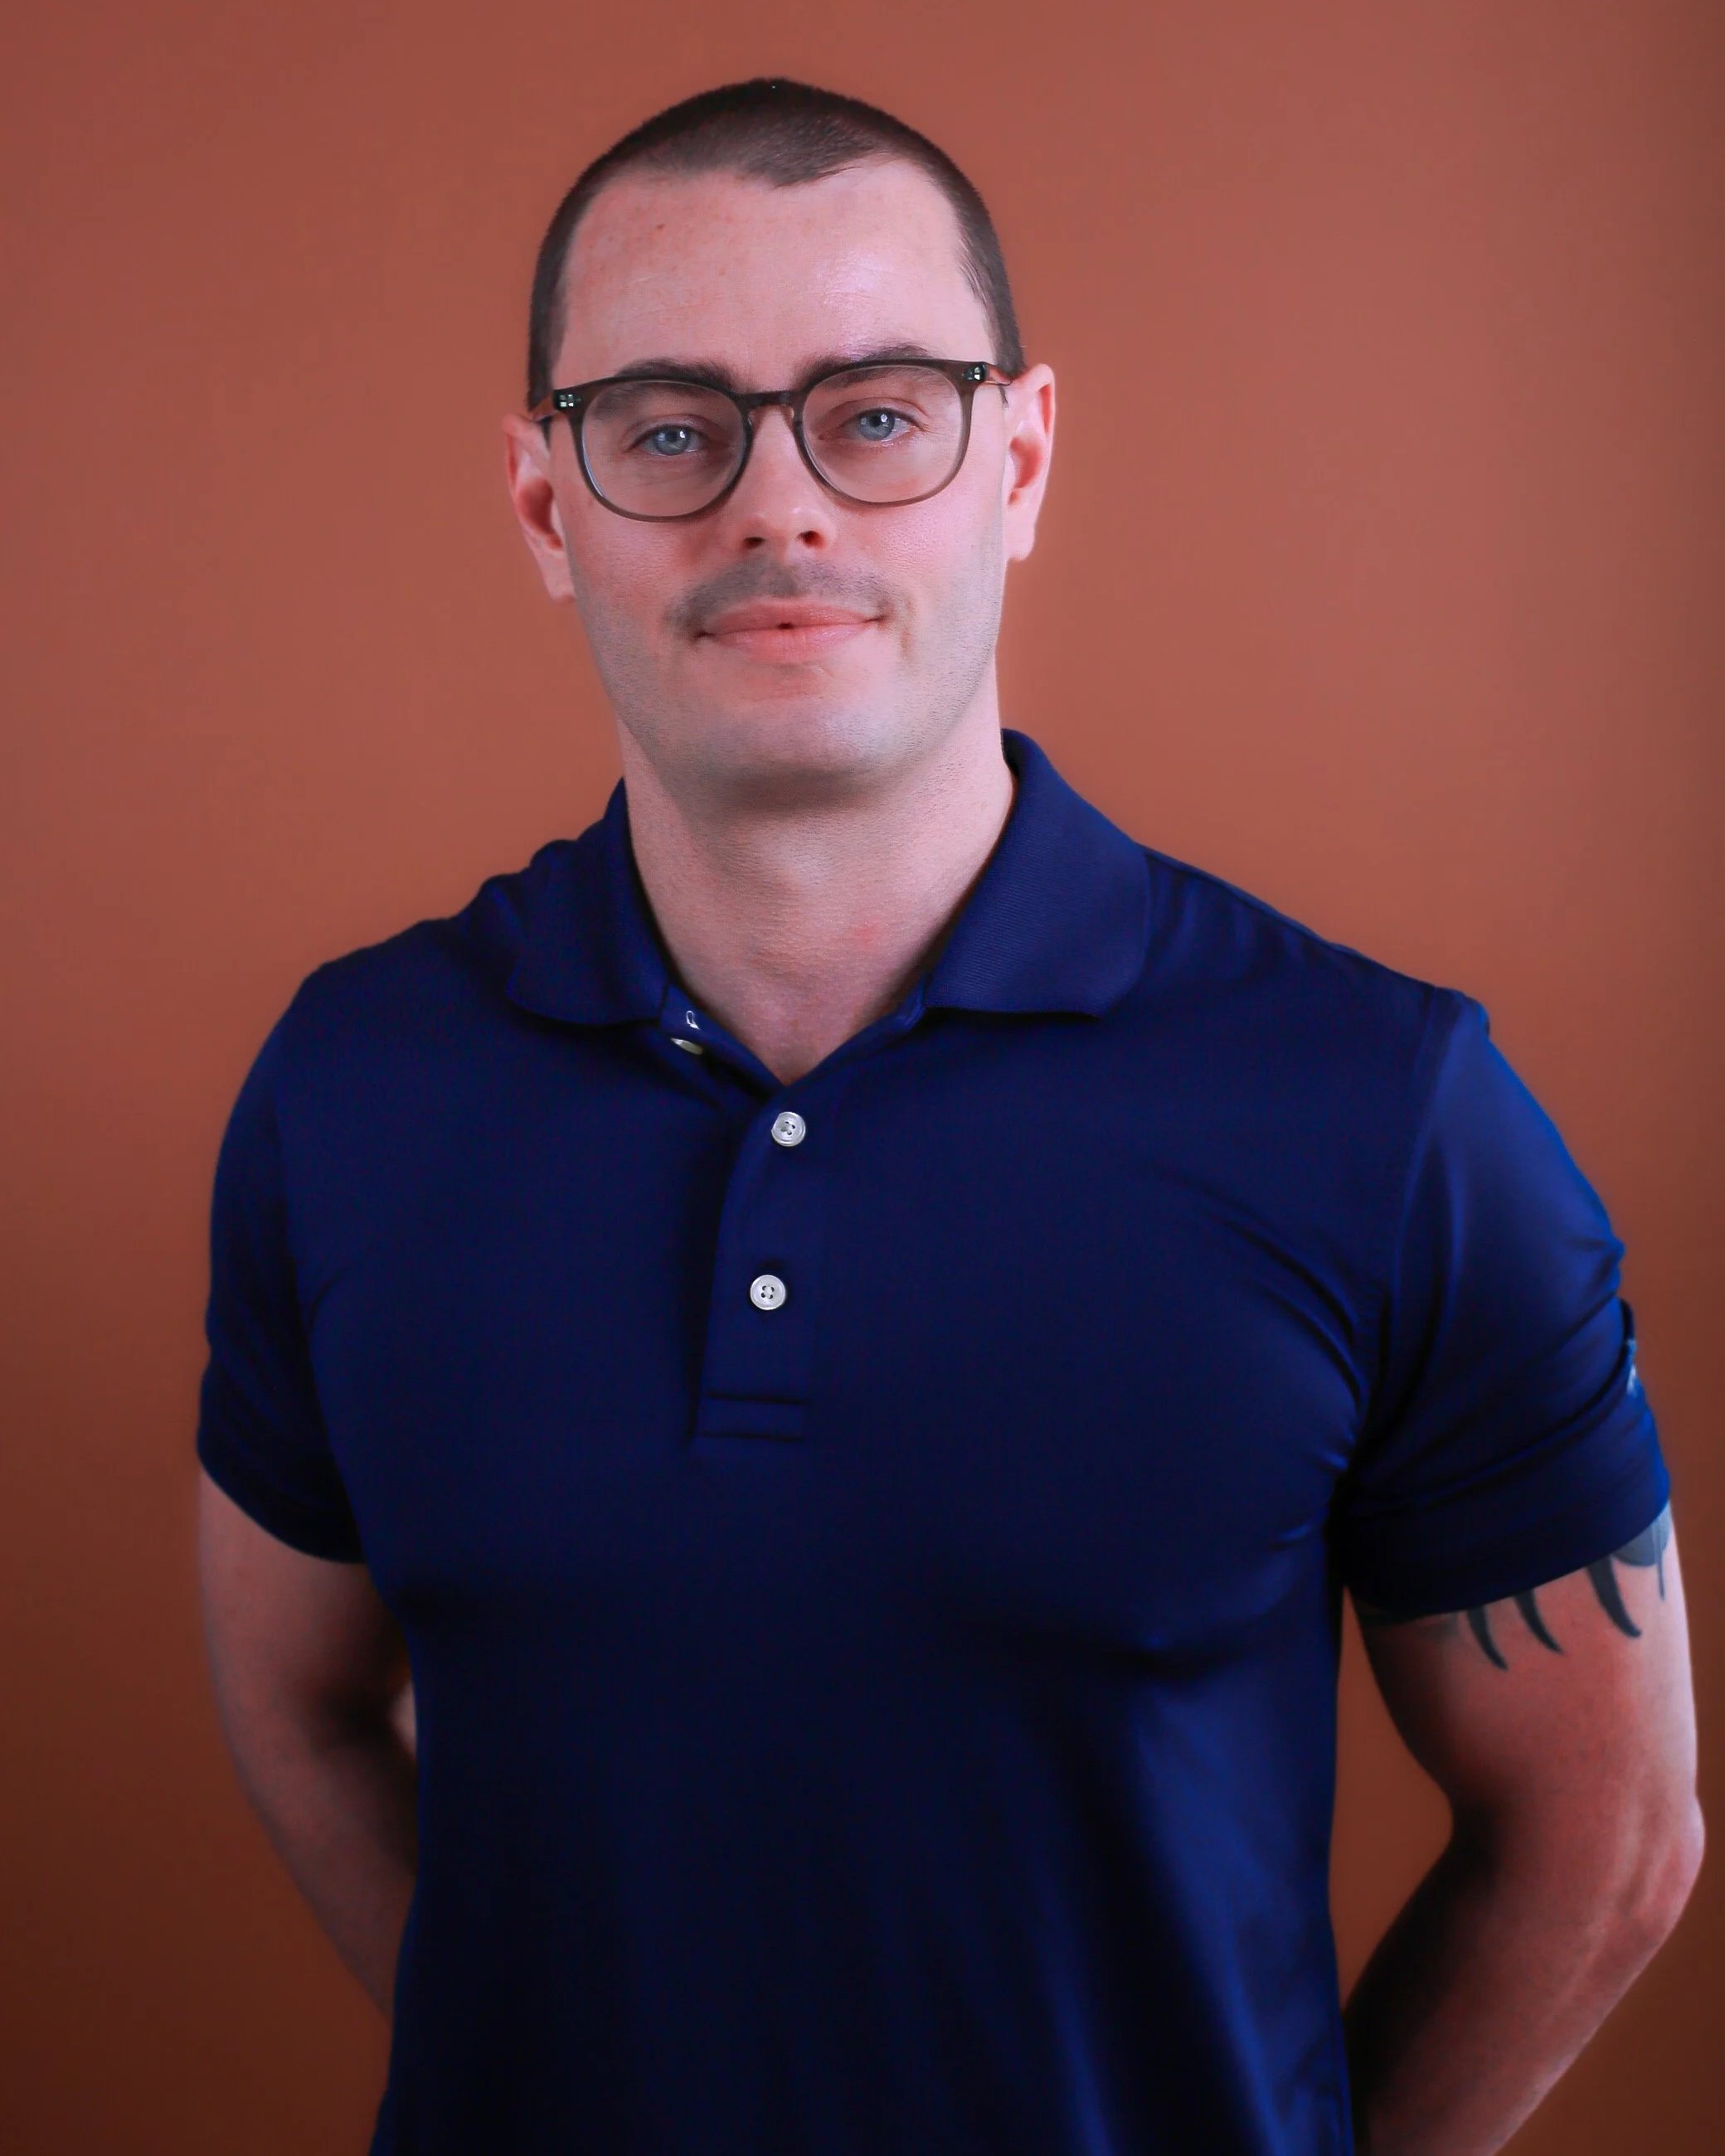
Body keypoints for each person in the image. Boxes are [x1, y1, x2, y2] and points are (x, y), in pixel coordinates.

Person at [193, 76, 1702, 2156]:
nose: (777, 509)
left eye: (878, 412)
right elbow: (292, 1700)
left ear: (1020, 460)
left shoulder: (1385, 1110)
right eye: (666, 427)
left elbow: (1605, 1836)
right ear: (549, 507)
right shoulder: (350, 1091)